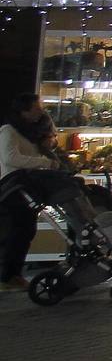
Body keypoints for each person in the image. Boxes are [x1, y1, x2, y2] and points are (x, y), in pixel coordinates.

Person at [1, 95, 58, 290]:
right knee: (19, 229)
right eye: (36, 108)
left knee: (25, 229)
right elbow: (10, 158)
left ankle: (12, 274)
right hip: (13, 187)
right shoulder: (8, 131)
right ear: (23, 111)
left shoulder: (30, 132)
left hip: (26, 186)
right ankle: (9, 276)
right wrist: (44, 162)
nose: (40, 111)